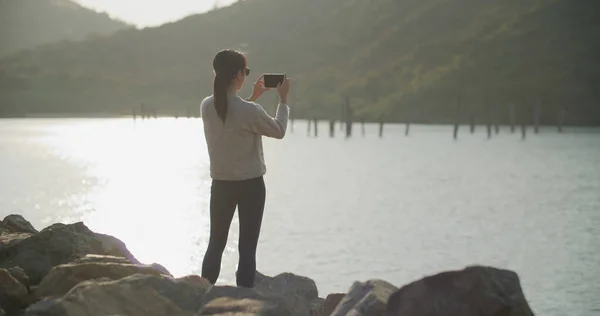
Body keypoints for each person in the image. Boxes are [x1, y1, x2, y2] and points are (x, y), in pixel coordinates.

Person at [200, 49, 291, 288]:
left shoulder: (207, 106)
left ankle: (199, 295)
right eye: (246, 71)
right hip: (251, 186)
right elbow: (278, 130)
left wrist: (253, 96)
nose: (246, 76)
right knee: (247, 249)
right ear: (238, 74)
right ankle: (244, 302)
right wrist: (282, 100)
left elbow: (234, 116)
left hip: (220, 186)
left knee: (215, 244)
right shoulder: (249, 111)